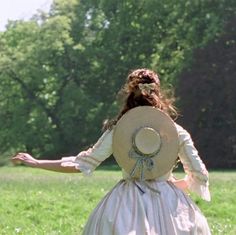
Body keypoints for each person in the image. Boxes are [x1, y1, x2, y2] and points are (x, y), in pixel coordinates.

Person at [12, 68, 211, 235]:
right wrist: (177, 185)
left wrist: (37, 162)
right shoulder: (176, 132)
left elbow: (83, 163)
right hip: (169, 201)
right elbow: (200, 174)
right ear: (157, 94)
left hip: (126, 202)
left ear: (130, 95)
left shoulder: (119, 130)